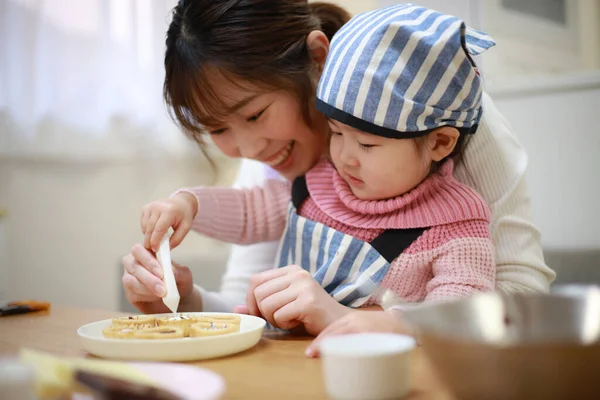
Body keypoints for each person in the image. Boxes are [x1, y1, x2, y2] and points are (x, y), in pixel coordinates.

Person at [122, 0, 555, 326]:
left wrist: (379, 322)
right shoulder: (301, 172)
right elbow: (249, 292)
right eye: (217, 130)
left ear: (319, 58)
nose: (250, 150)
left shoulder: (442, 123)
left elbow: (518, 299)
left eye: (255, 115)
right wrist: (185, 299)